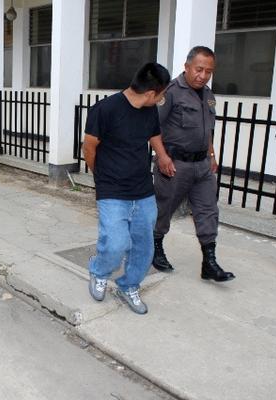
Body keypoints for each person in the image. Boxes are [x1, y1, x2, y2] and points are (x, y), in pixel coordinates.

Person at [82, 63, 170, 315]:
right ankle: (99, 270)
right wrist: (101, 175)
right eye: (162, 94)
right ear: (152, 93)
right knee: (116, 244)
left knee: (144, 246)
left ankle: (128, 285)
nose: (163, 99)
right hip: (112, 190)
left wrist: (162, 156)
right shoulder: (105, 109)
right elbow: (89, 147)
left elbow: (153, 135)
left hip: (143, 190)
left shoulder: (149, 110)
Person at [151, 46, 235, 283]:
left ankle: (209, 263)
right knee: (163, 208)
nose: (203, 75)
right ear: (186, 67)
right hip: (175, 164)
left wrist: (211, 154)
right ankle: (154, 248)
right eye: (199, 69)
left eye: (208, 71)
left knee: (208, 211)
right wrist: (163, 156)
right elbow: (152, 127)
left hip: (202, 165)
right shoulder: (171, 92)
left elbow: (207, 128)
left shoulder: (208, 95)